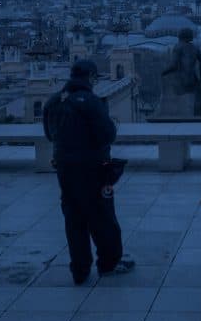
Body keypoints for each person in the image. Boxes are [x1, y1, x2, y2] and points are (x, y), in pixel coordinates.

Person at [43, 59, 134, 284]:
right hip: (94, 169)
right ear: (91, 77)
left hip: (64, 168)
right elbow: (107, 134)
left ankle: (80, 269)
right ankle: (109, 262)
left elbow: (49, 134)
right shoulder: (92, 102)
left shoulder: (53, 101)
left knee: (74, 219)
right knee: (102, 216)